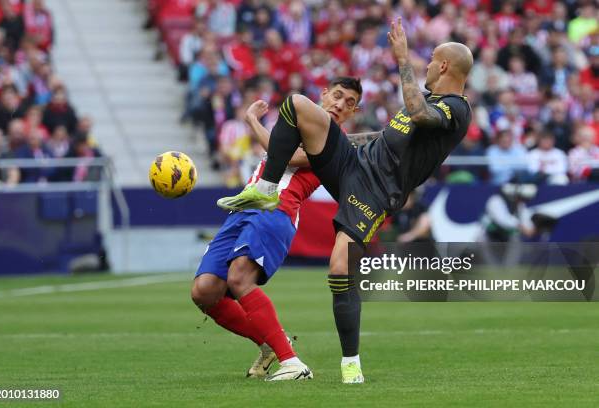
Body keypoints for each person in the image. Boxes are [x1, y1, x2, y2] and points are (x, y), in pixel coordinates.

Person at [218, 19, 473, 383]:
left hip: (377, 191)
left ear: (444, 66)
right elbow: (386, 136)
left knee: (339, 268)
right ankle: (266, 188)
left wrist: (403, 59)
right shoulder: (427, 98)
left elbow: (418, 114)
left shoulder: (455, 108)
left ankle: (350, 362)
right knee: (297, 104)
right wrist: (350, 140)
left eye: (431, 60)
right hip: (353, 164)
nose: (427, 65)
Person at [193, 77, 378, 382]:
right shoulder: (298, 126)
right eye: (337, 96)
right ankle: (268, 344)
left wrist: (252, 120)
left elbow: (287, 157)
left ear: (352, 113)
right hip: (245, 207)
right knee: (205, 291)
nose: (339, 104)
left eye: (348, 103)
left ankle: (291, 361)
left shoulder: (331, 142)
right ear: (323, 94)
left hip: (277, 209)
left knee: (239, 277)